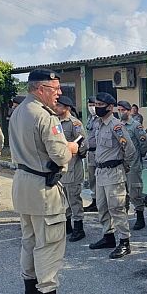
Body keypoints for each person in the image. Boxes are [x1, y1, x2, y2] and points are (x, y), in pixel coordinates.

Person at [9, 69, 81, 294]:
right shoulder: (45, 116)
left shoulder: (18, 111)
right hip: (42, 187)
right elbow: (60, 155)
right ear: (40, 89)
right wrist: (71, 147)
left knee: (29, 240)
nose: (59, 93)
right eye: (55, 89)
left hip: (23, 183)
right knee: (49, 244)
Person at [88, 93, 136, 259]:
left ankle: (124, 242)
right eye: (95, 104)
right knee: (101, 206)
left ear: (110, 107)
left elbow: (130, 149)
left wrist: (124, 166)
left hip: (114, 171)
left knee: (116, 208)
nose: (96, 107)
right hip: (100, 172)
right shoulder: (98, 124)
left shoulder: (116, 126)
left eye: (100, 104)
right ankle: (108, 236)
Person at [55, 95, 88, 242]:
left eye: (59, 105)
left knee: (74, 198)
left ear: (67, 108)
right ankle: (67, 225)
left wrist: (75, 152)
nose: (56, 108)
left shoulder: (74, 123)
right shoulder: (55, 122)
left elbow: (82, 142)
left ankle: (79, 228)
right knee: (63, 199)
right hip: (60, 167)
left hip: (73, 166)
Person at [118, 100, 147, 230]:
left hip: (133, 164)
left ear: (129, 111)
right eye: (119, 110)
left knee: (135, 191)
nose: (121, 113)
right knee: (122, 193)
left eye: (123, 110)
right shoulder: (118, 126)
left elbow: (143, 144)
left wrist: (138, 157)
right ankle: (124, 218)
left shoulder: (136, 126)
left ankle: (140, 217)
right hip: (121, 164)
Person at [83, 96, 99, 212]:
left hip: (98, 152)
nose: (92, 108)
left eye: (93, 105)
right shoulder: (90, 118)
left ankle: (100, 201)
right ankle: (94, 200)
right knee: (92, 178)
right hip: (90, 152)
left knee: (99, 178)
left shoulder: (100, 119)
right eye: (90, 105)